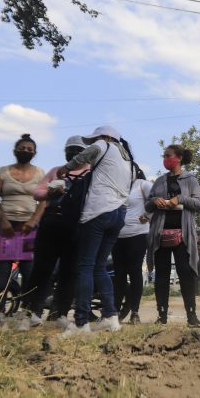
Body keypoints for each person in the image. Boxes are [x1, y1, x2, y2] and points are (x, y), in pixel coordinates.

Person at [57, 126, 134, 338]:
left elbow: (83, 157)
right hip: (119, 214)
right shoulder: (128, 160)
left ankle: (81, 323)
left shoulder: (104, 145)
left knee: (86, 266)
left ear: (107, 137)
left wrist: (65, 169)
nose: (92, 143)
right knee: (99, 266)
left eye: (95, 139)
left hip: (98, 212)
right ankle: (110, 316)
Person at [14, 136, 91, 330]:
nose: (74, 153)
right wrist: (50, 193)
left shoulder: (92, 173)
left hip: (77, 226)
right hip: (51, 223)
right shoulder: (57, 171)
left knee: (69, 272)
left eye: (78, 150)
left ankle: (61, 314)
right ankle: (30, 312)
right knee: (41, 269)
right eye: (70, 149)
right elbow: (37, 192)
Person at [0, 134, 44, 326]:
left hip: (28, 228)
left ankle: (26, 313)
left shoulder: (40, 173)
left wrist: (33, 221)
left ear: (34, 153)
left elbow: (43, 201)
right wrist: (3, 220)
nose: (25, 151)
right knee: (2, 271)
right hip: (6, 227)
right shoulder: (3, 171)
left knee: (28, 271)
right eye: (22, 148)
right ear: (14, 151)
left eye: (29, 149)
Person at [146, 145, 200, 327]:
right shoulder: (159, 181)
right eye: (164, 156)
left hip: (183, 235)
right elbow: (148, 205)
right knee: (161, 275)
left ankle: (192, 316)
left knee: (185, 273)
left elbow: (198, 203)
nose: (165, 159)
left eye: (168, 156)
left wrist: (180, 199)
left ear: (178, 158)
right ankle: (161, 315)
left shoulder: (190, 179)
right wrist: (154, 200)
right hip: (160, 235)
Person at [113, 164, 152, 325]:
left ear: (136, 171)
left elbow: (156, 200)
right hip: (117, 236)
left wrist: (148, 215)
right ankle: (114, 312)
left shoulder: (142, 185)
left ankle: (135, 312)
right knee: (119, 274)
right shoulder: (117, 186)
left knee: (135, 272)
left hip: (138, 234)